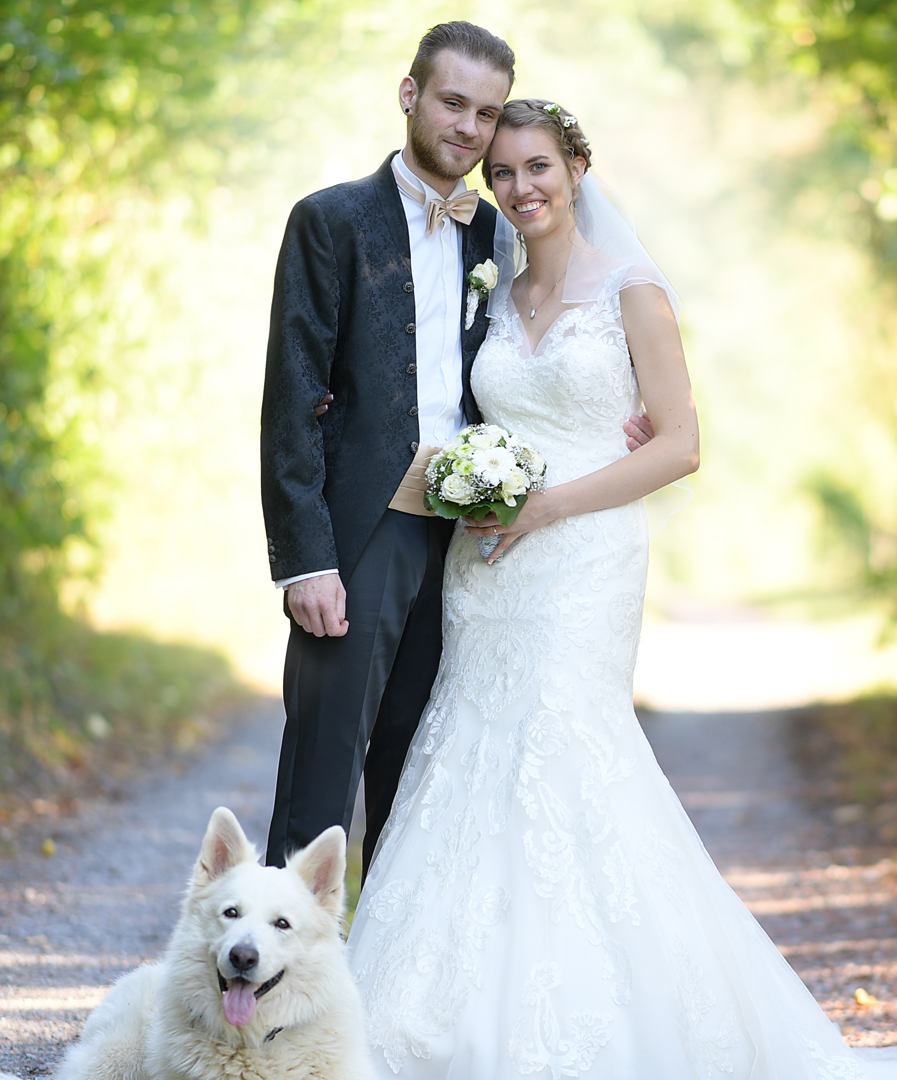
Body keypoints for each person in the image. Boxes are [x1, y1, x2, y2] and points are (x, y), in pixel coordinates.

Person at [344, 98, 897, 1080]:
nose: (520, 189)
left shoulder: (632, 290)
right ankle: (428, 1013)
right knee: (466, 744)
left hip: (583, 558)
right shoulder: (491, 295)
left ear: (579, 168)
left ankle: (585, 1023)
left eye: (538, 167)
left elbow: (680, 444)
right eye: (502, 173)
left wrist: (549, 506)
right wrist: (465, 484)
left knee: (566, 749)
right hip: (485, 567)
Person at [257, 22, 517, 875]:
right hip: (363, 533)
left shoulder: (497, 237)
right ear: (409, 95)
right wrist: (307, 561)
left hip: (463, 544)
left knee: (415, 780)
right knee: (322, 780)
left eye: (487, 113)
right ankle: (275, 994)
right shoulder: (330, 221)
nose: (469, 128)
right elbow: (292, 397)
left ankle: (379, 986)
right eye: (452, 102)